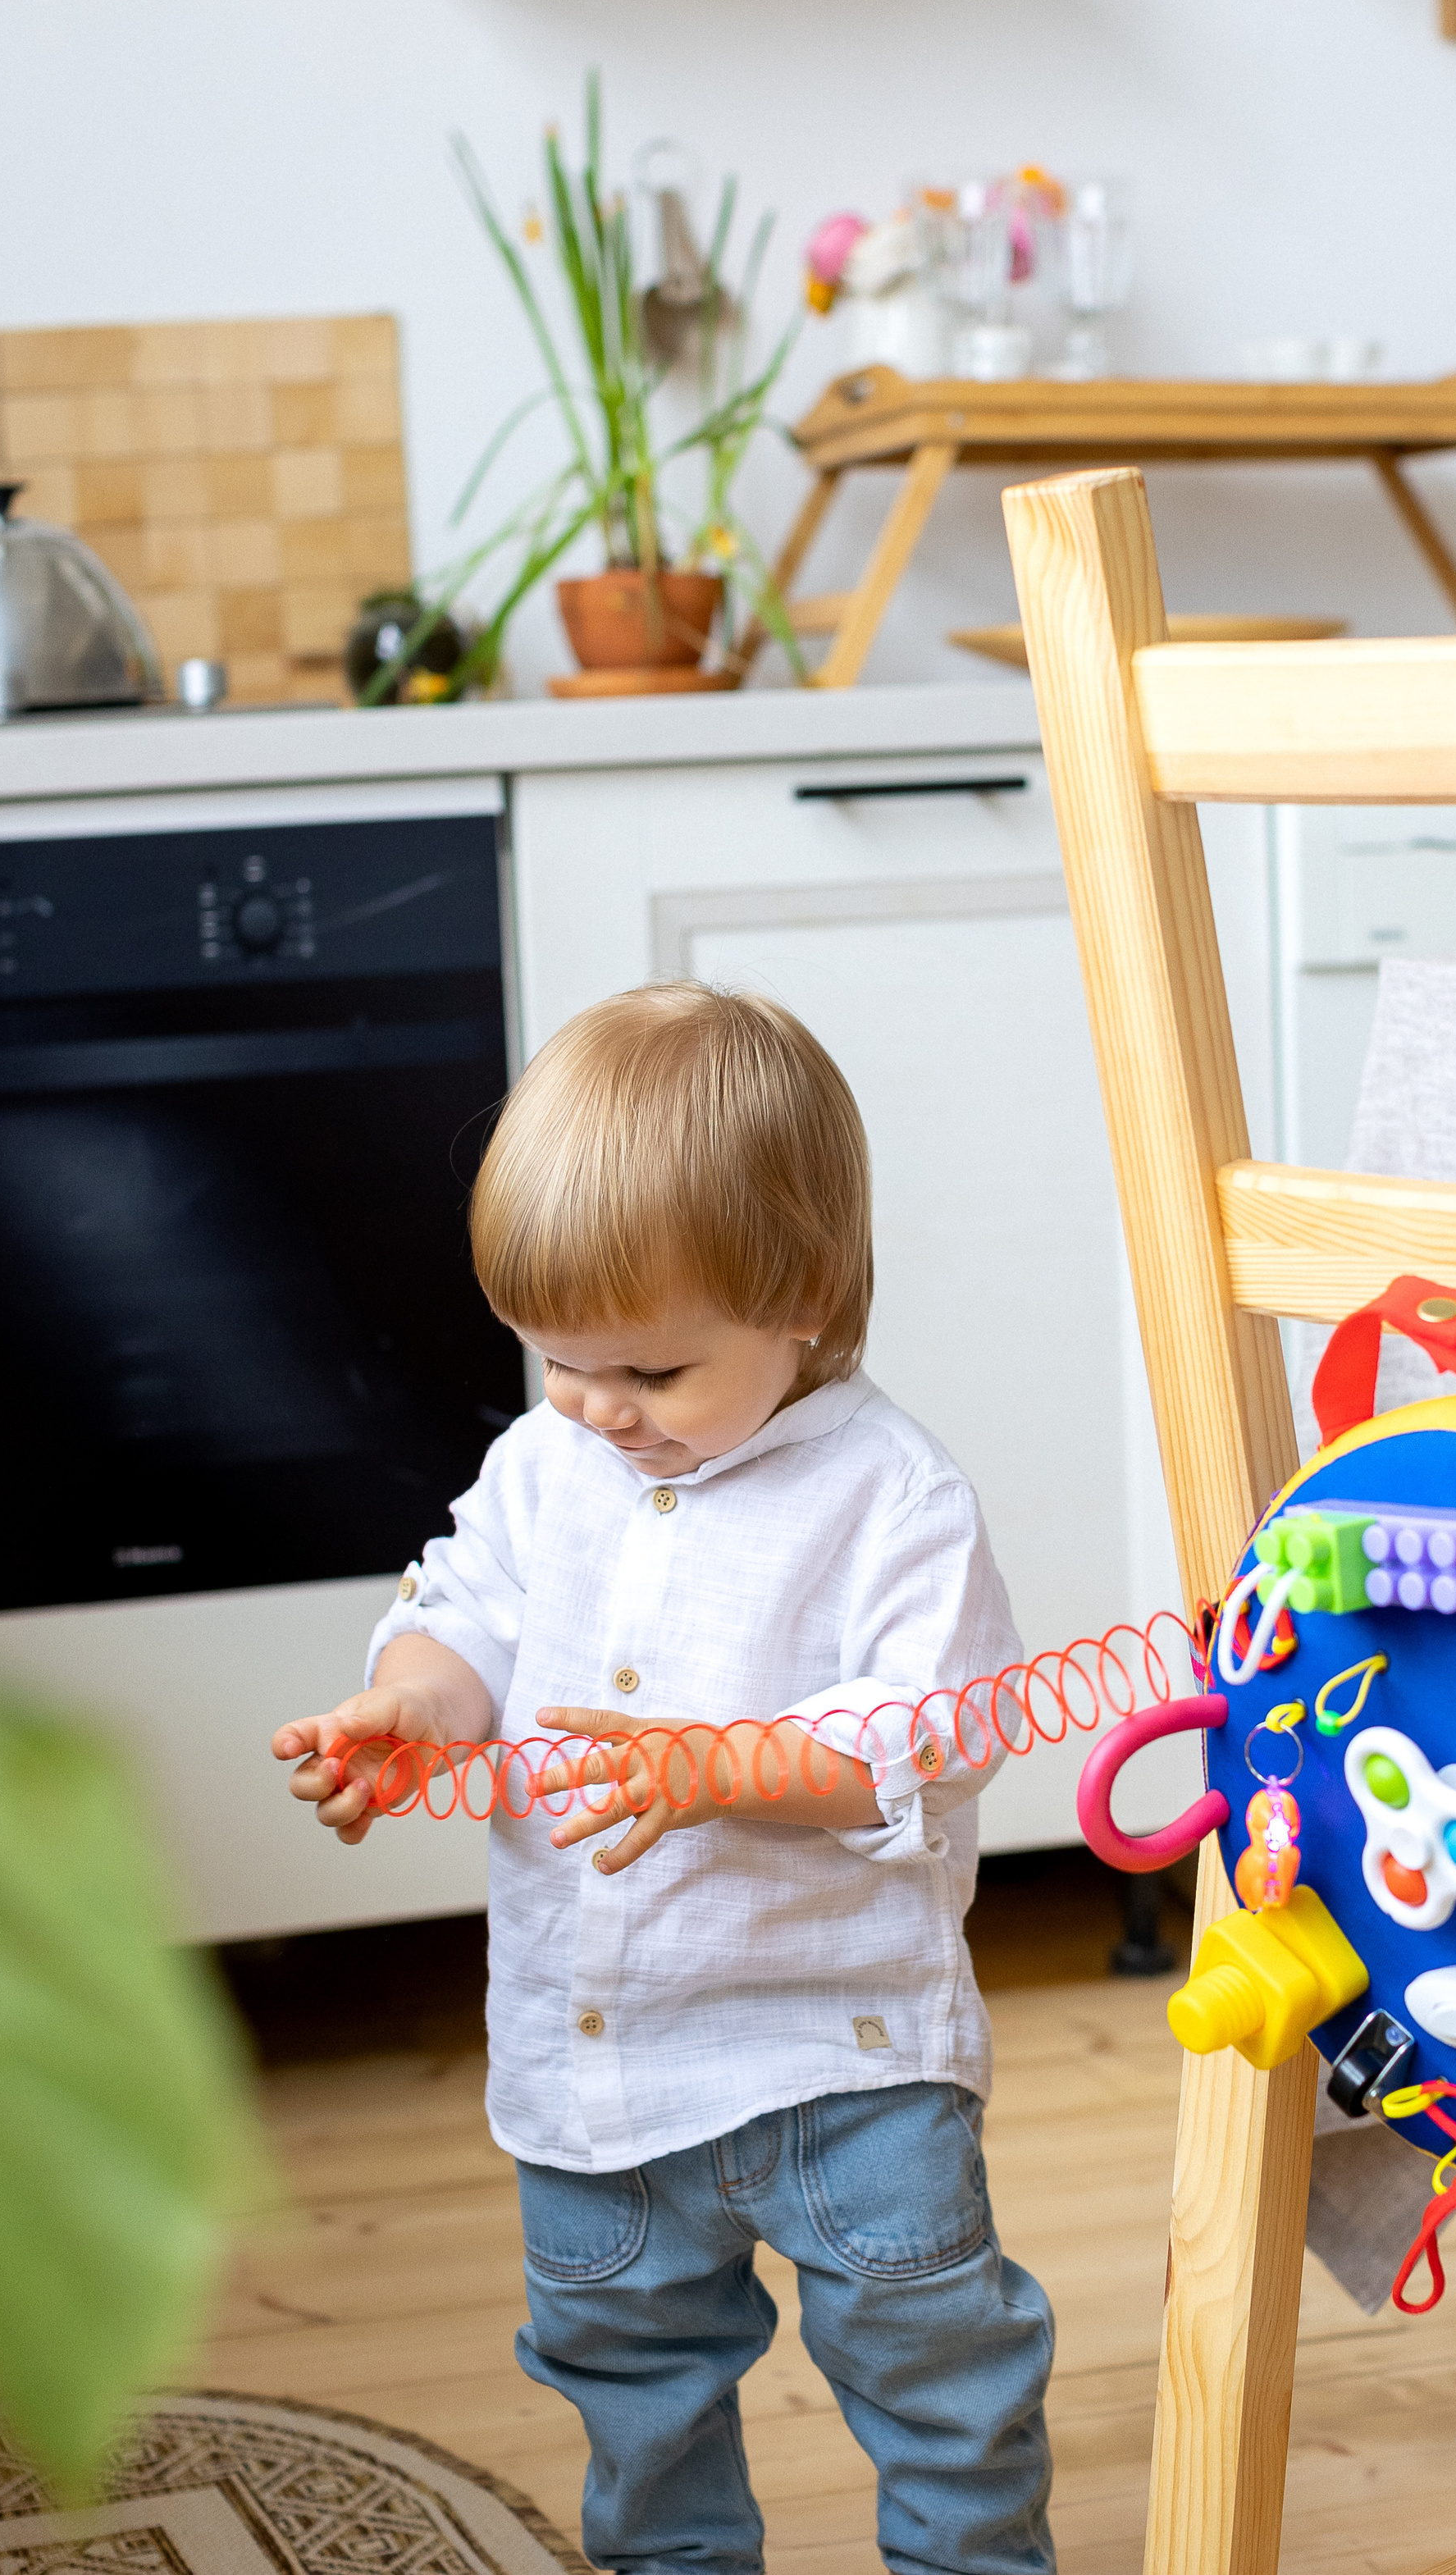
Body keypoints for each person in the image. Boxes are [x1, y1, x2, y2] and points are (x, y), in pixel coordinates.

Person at [272, 979, 1055, 2575]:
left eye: (648, 1374)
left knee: (942, 2391)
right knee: (629, 2397)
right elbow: (464, 1609)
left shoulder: (890, 1498)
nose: (592, 1409)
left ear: (810, 1305)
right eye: (555, 1361)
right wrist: (410, 1704)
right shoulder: (547, 1460)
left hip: (839, 2071)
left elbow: (939, 1728)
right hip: (597, 2073)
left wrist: (725, 1765)